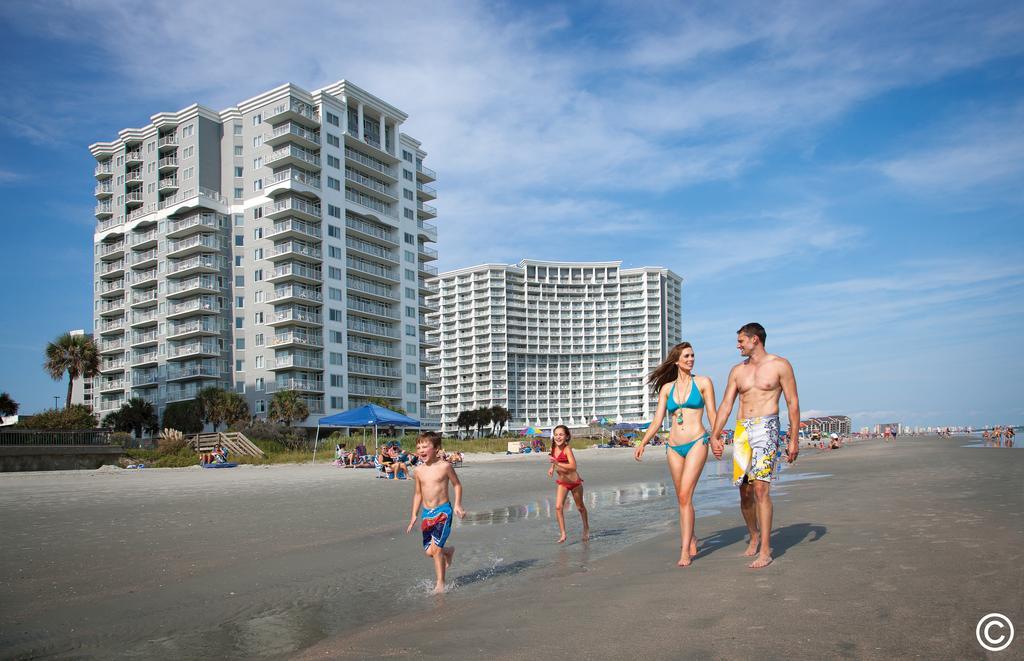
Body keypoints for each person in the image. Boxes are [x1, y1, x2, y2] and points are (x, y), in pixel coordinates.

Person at [710, 323, 799, 569]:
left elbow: (792, 403)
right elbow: (726, 404)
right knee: (744, 491)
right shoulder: (738, 371)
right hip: (742, 431)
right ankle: (754, 535)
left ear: (755, 339)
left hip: (767, 427)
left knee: (761, 489)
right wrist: (715, 435)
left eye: (741, 341)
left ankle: (766, 550)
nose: (738, 345)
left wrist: (793, 439)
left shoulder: (780, 365)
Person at [635, 342, 718, 567]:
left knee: (684, 495)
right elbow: (657, 420)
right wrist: (643, 442)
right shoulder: (667, 389)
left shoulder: (703, 383)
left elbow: (712, 413)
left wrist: (716, 436)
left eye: (693, 355)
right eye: (687, 356)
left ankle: (684, 551)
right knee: (682, 497)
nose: (691, 359)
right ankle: (691, 536)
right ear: (676, 361)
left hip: (697, 442)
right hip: (673, 446)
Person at [406, 431, 465, 594]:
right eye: (418, 447)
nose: (421, 450)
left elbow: (457, 485)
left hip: (443, 512)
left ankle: (440, 583)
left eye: (425, 446)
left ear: (437, 448)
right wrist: (414, 515)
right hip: (427, 513)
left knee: (436, 549)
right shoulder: (418, 470)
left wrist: (458, 505)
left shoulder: (445, 466)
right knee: (429, 552)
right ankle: (449, 551)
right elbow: (418, 493)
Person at [548, 425, 590, 544]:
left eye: (561, 435)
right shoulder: (553, 447)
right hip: (563, 482)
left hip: (574, 482)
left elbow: (573, 467)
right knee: (558, 507)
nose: (558, 437)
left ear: (566, 436)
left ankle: (586, 527)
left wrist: (557, 463)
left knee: (580, 507)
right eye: (556, 434)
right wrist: (552, 467)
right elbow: (554, 459)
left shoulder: (567, 449)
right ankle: (563, 534)